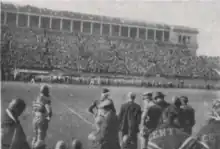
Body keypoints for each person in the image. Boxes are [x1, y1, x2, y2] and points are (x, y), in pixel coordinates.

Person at [32, 84, 53, 149]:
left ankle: (33, 147)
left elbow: (34, 109)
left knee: (35, 137)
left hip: (35, 119)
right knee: (40, 141)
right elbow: (49, 111)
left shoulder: (38, 98)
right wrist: (48, 118)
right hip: (42, 119)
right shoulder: (46, 99)